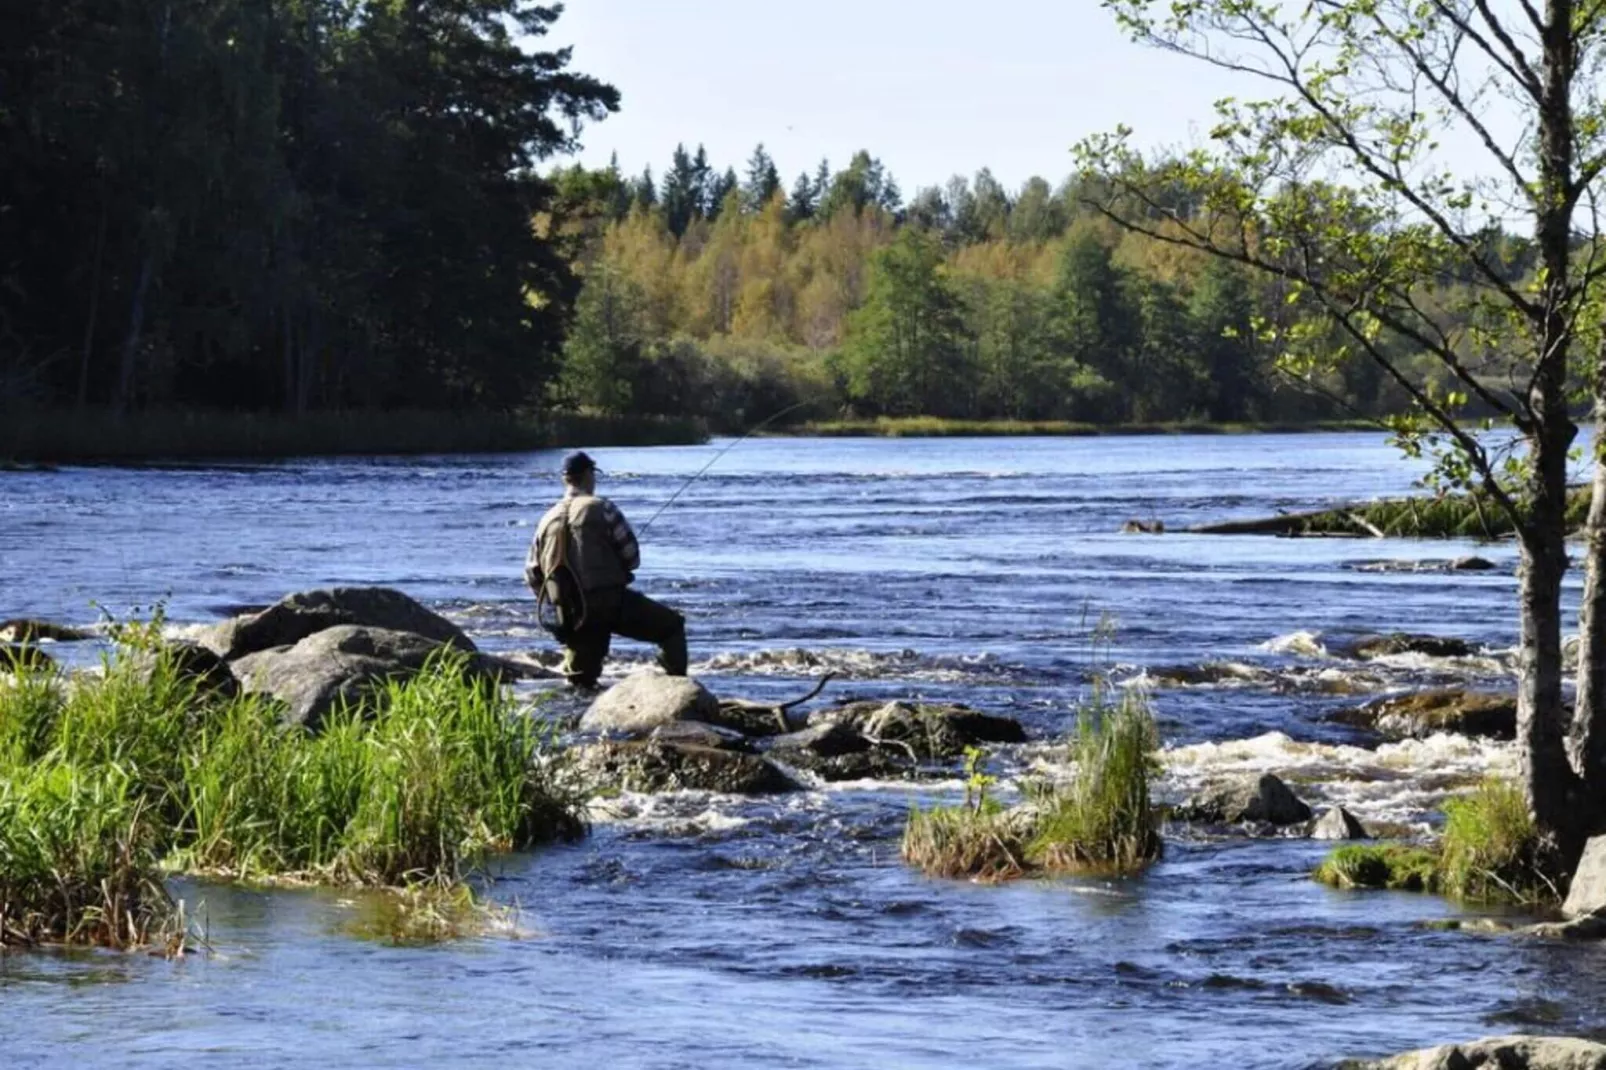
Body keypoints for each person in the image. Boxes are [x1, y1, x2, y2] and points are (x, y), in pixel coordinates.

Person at [525, 451, 688, 688]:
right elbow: (632, 558)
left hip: (570, 612)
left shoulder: (546, 518)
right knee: (672, 627)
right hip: (610, 604)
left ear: (566, 479)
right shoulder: (604, 508)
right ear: (589, 475)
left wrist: (559, 604)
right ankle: (677, 689)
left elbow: (532, 574)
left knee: (580, 680)